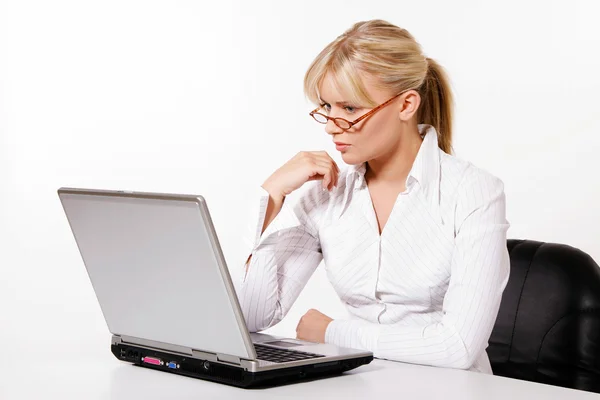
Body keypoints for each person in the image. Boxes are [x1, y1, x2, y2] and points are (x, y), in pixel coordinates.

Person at [234, 19, 510, 374]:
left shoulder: (473, 192)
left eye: (350, 109)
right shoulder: (325, 195)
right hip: (363, 385)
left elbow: (455, 347)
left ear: (406, 105)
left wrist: (333, 332)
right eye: (327, 107)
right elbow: (253, 316)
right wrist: (271, 195)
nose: (333, 124)